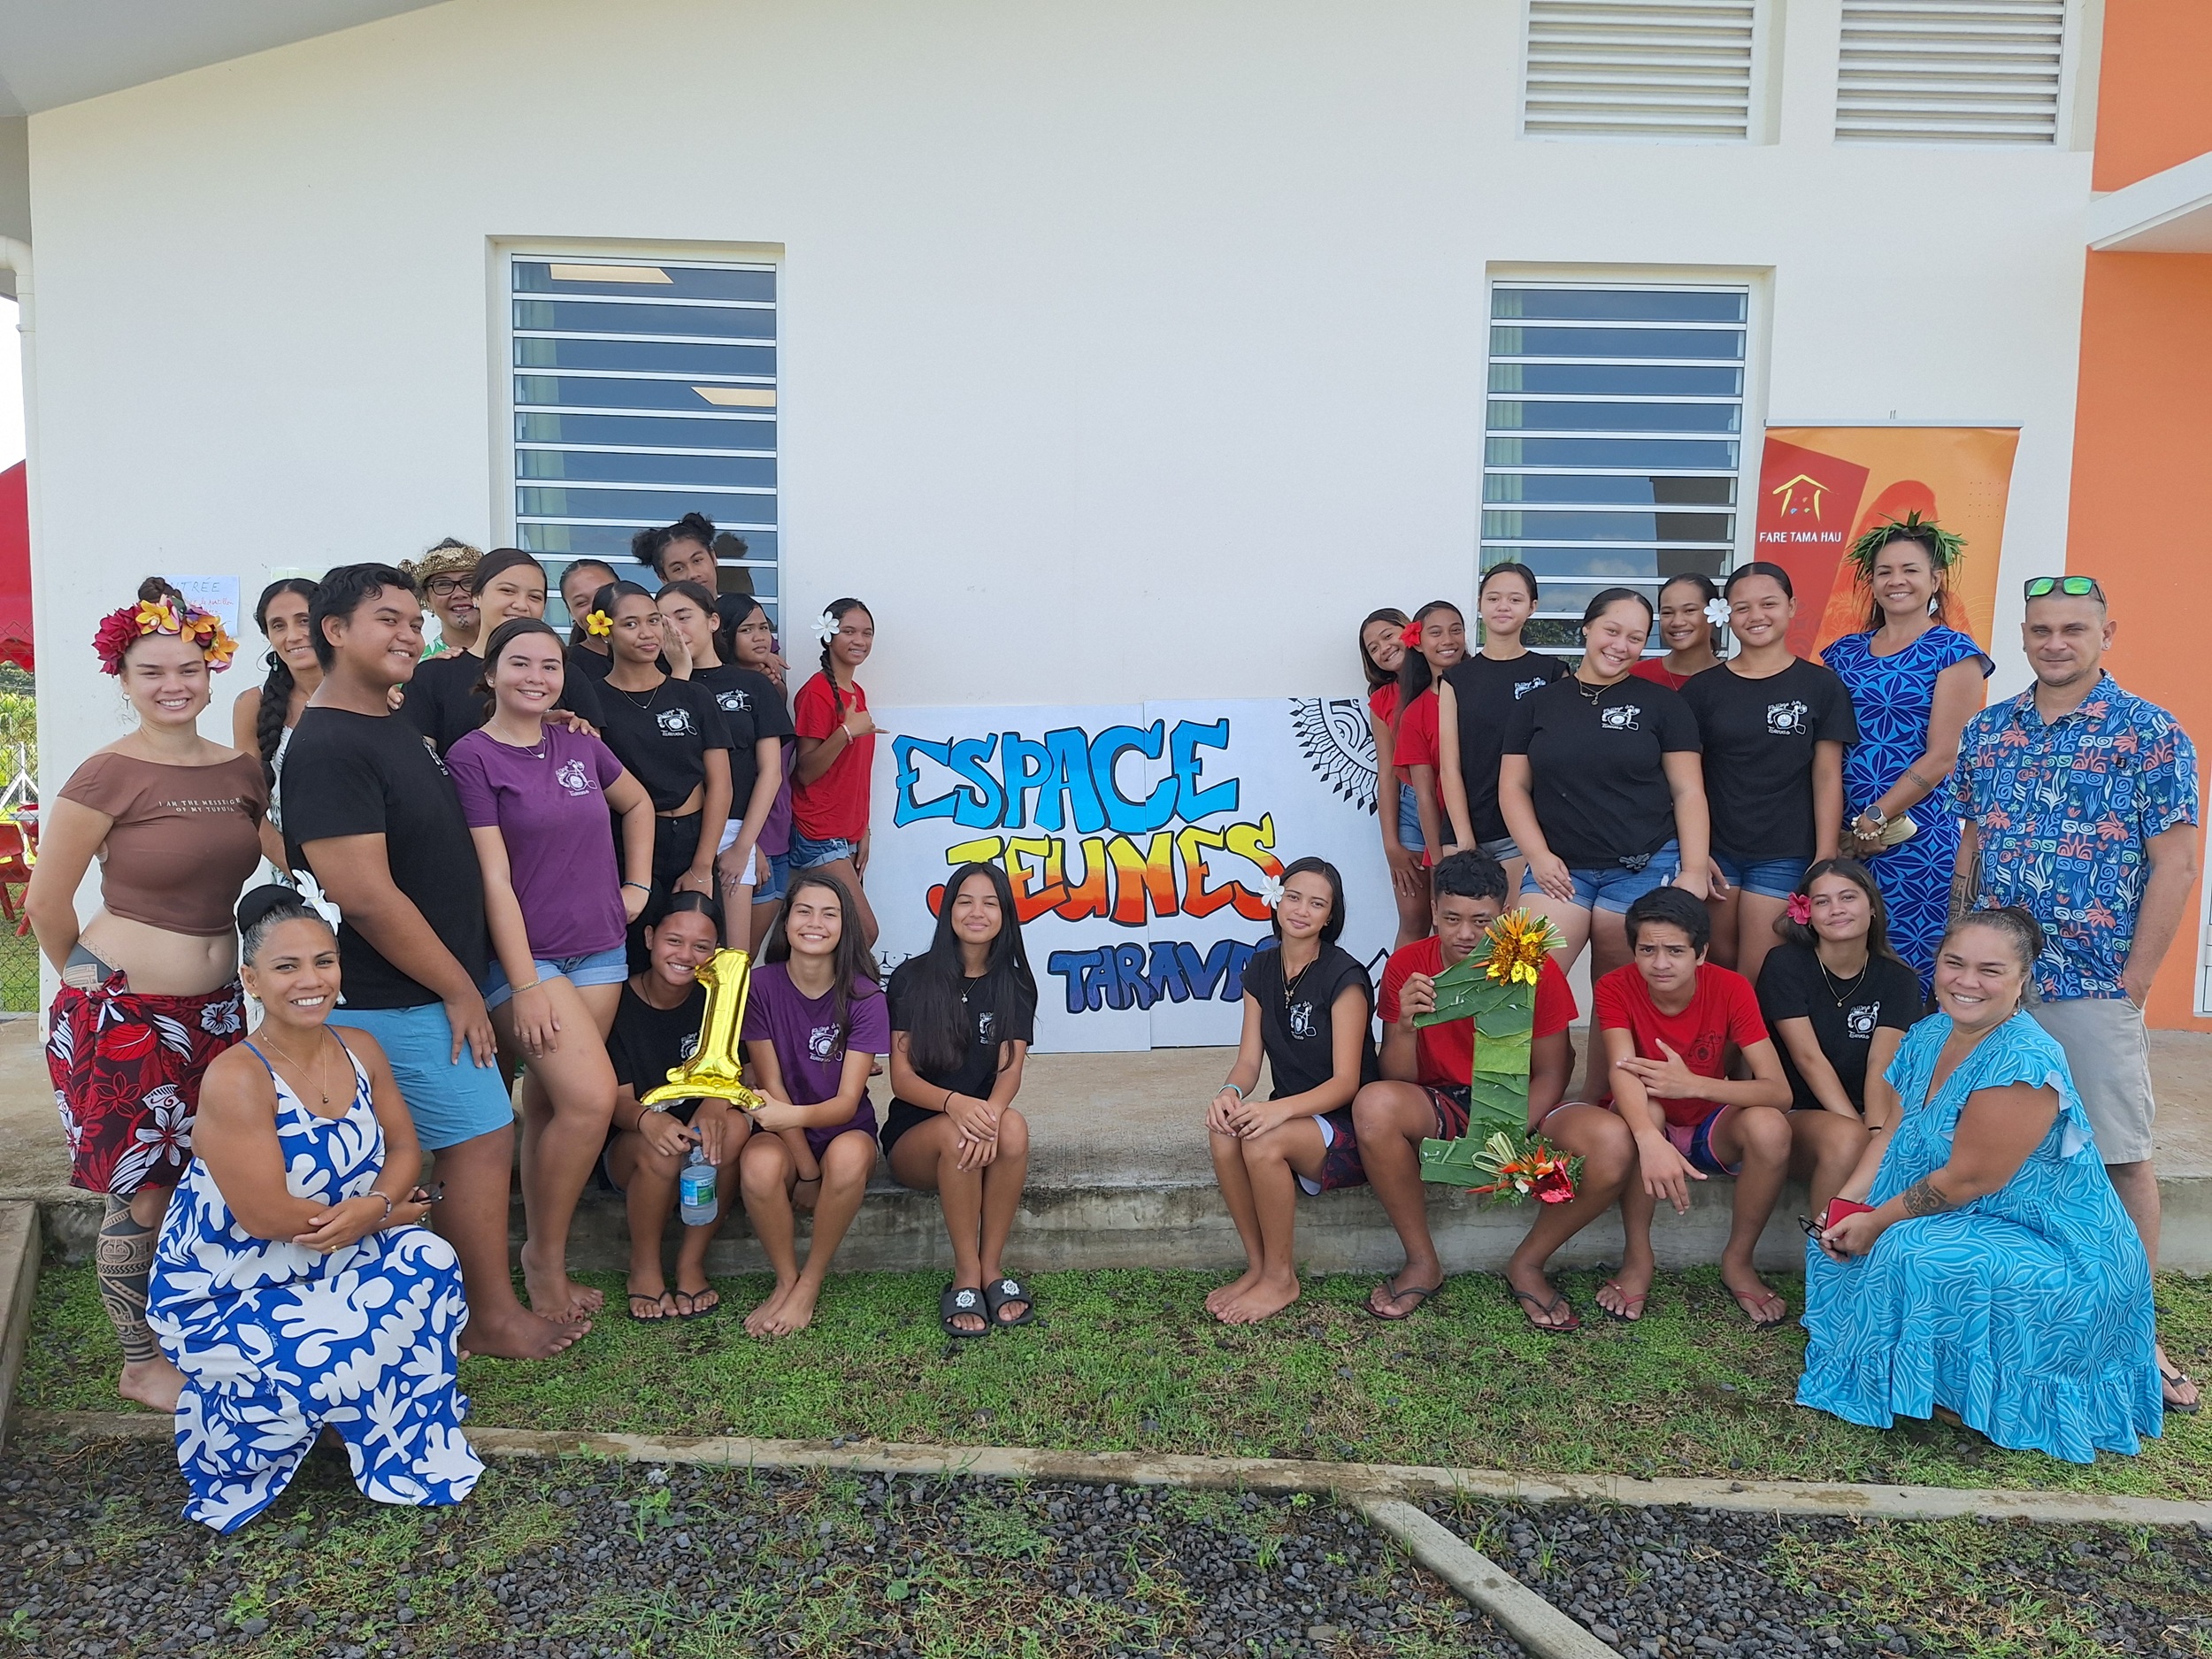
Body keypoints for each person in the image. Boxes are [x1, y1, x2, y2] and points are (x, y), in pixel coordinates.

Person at [282, 563, 583, 1358]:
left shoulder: (388, 721)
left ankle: (466, 1307)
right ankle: (488, 1317)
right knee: (482, 1138)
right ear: (334, 630)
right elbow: (367, 895)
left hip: (434, 988)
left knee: (471, 1140)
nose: (410, 633)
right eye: (389, 619)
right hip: (401, 995)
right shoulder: (327, 744)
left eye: (414, 621)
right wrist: (458, 989)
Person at [147, 886, 481, 1531]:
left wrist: (379, 1205)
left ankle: (372, 1421)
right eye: (287, 966)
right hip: (233, 1286)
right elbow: (269, 1218)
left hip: (338, 1255)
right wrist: (382, 1215)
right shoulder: (237, 1077)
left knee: (430, 1258)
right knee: (317, 1370)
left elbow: (407, 1147)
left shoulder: (359, 1046)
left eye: (324, 961)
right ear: (251, 979)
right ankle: (231, 1424)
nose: (311, 980)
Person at [1953, 574, 2202, 1415]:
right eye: (2040, 629)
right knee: (1999, 1147)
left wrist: (2137, 979)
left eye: (2072, 627)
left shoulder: (2152, 735)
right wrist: (1960, 958)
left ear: (2107, 632)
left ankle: (2135, 1332)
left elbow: (2175, 862)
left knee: (2119, 1152)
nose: (2055, 642)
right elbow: (1974, 850)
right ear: (2022, 635)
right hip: (1995, 988)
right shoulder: (1989, 732)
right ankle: (2022, 1318)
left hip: (2093, 981)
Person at [1800, 908, 2162, 1463]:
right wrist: (1848, 1202)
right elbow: (1893, 1131)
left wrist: (1876, 1220)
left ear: (2023, 980)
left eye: (1990, 970)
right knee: (1837, 1233)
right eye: (1954, 963)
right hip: (1976, 1211)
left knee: (1907, 1247)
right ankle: (1929, 1377)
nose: (1967, 982)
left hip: (2055, 1241)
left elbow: (1969, 1179)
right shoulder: (1927, 1034)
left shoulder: (2022, 1061)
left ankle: (1965, 1390)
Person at [27, 580, 259, 1409]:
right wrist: (95, 990)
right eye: (153, 670)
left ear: (211, 672)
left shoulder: (240, 769)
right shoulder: (107, 773)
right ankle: (139, 1359)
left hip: (221, 1012)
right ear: (122, 678)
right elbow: (45, 904)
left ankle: (203, 1326)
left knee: (216, 1177)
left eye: (191, 669)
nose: (174, 684)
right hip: (125, 1013)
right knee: (142, 1190)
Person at [446, 617, 657, 1321]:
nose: (536, 677)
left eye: (550, 665)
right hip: (527, 958)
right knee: (593, 1100)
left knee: (551, 1103)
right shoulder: (471, 756)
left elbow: (639, 804)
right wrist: (527, 983)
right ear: (492, 672)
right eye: (520, 663)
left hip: (600, 947)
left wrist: (640, 887)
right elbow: (493, 878)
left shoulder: (578, 742)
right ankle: (541, 1259)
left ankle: (544, 1252)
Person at [1350, 850, 1585, 1322]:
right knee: (1374, 1106)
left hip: (1520, 1101)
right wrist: (1404, 1025)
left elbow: (1553, 1072)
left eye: (1481, 920)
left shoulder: (1534, 966)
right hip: (1442, 1100)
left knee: (1613, 1143)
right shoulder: (1408, 964)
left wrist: (1510, 1131)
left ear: (1505, 916)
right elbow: (1397, 1080)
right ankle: (1422, 1262)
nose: (1465, 933)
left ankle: (1529, 1263)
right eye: (1452, 917)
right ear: (1433, 911)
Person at [1497, 588, 1713, 1056]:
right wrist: (1538, 856)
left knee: (1619, 998)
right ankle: (1538, 1090)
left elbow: (1688, 790)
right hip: (1560, 870)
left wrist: (1694, 870)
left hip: (1643, 869)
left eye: (1635, 638)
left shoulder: (1663, 704)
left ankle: (1604, 1100)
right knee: (1517, 981)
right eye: (1612, 631)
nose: (1621, 645)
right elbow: (1513, 787)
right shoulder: (1538, 705)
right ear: (1587, 629)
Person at [1595, 887, 1794, 1326]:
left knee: (1770, 1127)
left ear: (1701, 953)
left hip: (1710, 1123)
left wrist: (1693, 1085)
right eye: (1647, 949)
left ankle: (1739, 1260)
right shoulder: (1615, 986)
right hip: (1645, 1119)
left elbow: (1778, 1092)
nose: (1660, 963)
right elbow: (1621, 1068)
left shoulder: (1731, 987)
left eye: (1675, 950)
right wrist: (1649, 1138)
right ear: (1634, 951)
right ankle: (1638, 1256)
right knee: (1649, 1112)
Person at [1203, 856, 1379, 1326]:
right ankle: (1259, 1266)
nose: (1301, 910)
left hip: (1348, 1126)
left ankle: (1282, 1278)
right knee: (1223, 1131)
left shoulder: (1346, 977)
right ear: (1276, 899)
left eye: (1317, 903)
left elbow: (1347, 1083)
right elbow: (1248, 1061)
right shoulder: (1260, 968)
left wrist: (1276, 1111)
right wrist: (1229, 1093)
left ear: (1330, 916)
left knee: (1262, 1139)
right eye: (1294, 897)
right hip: (1294, 1115)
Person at [1821, 516, 1993, 989]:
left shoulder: (1955, 653)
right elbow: (1824, 749)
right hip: (1843, 840)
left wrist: (1875, 817)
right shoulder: (1840, 655)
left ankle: (1913, 1064)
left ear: (1935, 580)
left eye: (1910, 570)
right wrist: (1838, 832)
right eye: (1884, 571)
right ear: (1871, 583)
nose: (1896, 581)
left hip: (1912, 839)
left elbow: (1943, 755)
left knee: (1907, 969)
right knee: (1844, 965)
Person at [1680, 562, 1856, 987]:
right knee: (1716, 964)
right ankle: (1716, 1055)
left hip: (1786, 850)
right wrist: (1695, 853)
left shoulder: (1821, 686)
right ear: (1726, 614)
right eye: (1742, 607)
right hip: (1717, 851)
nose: (1755, 616)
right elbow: (1685, 781)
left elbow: (1828, 775)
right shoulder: (1702, 690)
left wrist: (1825, 855)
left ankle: (1753, 1056)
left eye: (1769, 604)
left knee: (1757, 972)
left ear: (1792, 606)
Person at [885, 861, 1039, 1336]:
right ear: (948, 909)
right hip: (918, 1137)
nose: (977, 912)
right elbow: (901, 1079)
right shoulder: (913, 977)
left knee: (1014, 1126)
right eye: (965, 900)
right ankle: (966, 1272)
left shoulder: (1014, 983)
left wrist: (989, 1114)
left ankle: (992, 1268)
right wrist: (957, 1106)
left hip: (978, 1127)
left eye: (990, 902)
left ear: (1005, 915)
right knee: (957, 1133)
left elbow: (1010, 1070)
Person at [738, 871, 888, 1339]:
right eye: (803, 911)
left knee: (846, 1158)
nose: (815, 923)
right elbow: (771, 1084)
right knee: (759, 1168)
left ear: (845, 927)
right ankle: (785, 1278)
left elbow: (846, 1103)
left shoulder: (864, 994)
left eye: (830, 913)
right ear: (785, 922)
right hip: (783, 1130)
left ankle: (810, 1282)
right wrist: (805, 1170)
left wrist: (812, 1157)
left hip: (845, 1129)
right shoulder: (759, 986)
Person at [602, 891, 752, 1322]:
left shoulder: (717, 999)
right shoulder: (616, 1001)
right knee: (661, 1153)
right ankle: (644, 1269)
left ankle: (691, 1262)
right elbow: (609, 1098)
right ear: (649, 937)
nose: (686, 955)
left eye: (702, 947)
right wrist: (648, 1121)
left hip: (701, 1143)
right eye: (674, 940)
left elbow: (740, 1070)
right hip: (634, 1144)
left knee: (733, 1128)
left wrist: (715, 1101)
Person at [1756, 859, 1920, 1217]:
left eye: (1848, 897)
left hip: (1864, 1111)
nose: (1837, 910)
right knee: (1849, 1141)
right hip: (1793, 1112)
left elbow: (1883, 1062)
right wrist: (1857, 1128)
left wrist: (1875, 1129)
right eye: (1822, 902)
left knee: (1894, 1142)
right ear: (1807, 913)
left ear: (1872, 907)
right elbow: (1807, 1058)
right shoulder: (1785, 964)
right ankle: (1827, 1260)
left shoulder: (1899, 979)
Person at [585, 581, 733, 946]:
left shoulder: (693, 695)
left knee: (698, 951)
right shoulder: (591, 698)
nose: (647, 633)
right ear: (604, 631)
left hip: (692, 838)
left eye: (653, 621)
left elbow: (721, 784)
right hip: (626, 843)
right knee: (636, 949)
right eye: (631, 624)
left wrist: (702, 866)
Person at [658, 580, 790, 934]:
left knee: (733, 955)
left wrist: (746, 844)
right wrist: (679, 675)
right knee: (675, 945)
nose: (673, 628)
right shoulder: (656, 687)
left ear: (713, 622)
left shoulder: (753, 685)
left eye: (683, 617)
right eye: (661, 620)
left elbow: (771, 773)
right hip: (673, 831)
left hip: (735, 830)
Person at [1438, 563, 1570, 895]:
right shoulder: (1457, 679)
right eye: (1494, 598)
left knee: (1513, 939)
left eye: (1515, 599)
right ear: (1480, 604)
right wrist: (1465, 838)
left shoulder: (1553, 673)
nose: (1503, 607)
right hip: (1466, 828)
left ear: (1532, 607)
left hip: (1528, 834)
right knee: (1466, 940)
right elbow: (1449, 766)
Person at [400, 549, 606, 755]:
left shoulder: (567, 675)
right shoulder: (431, 676)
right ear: (476, 597)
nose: (521, 605)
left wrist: (574, 734)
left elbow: (594, 764)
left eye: (534, 597)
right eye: (507, 591)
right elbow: (417, 765)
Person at [791, 597, 881, 948]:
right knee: (863, 933)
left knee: (841, 939)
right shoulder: (816, 693)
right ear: (828, 635)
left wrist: (864, 831)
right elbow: (805, 772)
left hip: (847, 835)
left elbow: (854, 775)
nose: (859, 640)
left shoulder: (856, 692)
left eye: (867, 633)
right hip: (819, 834)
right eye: (848, 631)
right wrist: (846, 732)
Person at [230, 577, 320, 879]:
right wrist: (296, 869)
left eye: (304, 620)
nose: (293, 636)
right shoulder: (251, 704)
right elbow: (246, 805)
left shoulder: (374, 693)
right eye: (278, 625)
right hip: (295, 877)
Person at [729, 595, 798, 948]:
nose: (759, 637)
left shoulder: (767, 687)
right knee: (737, 957)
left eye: (763, 628)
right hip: (753, 843)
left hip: (780, 835)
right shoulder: (727, 699)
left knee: (748, 958)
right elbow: (737, 779)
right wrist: (750, 845)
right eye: (746, 629)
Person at [1358, 609, 1425, 949]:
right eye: (1372, 647)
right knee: (1413, 918)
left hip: (1458, 807)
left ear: (1410, 630)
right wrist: (1391, 845)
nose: (1383, 648)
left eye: (1388, 635)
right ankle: (1395, 1004)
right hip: (1411, 808)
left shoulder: (1448, 678)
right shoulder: (1381, 701)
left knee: (1457, 916)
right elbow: (1386, 774)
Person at [1386, 602, 1466, 885]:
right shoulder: (1414, 714)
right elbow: (1426, 797)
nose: (1448, 640)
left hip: (1504, 834)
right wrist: (1440, 861)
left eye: (1456, 630)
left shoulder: (1487, 691)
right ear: (1417, 643)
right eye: (1436, 632)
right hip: (1451, 839)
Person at [635, 511, 757, 647]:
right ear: (663, 577)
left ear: (713, 557)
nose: (693, 574)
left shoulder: (742, 613)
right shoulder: (657, 629)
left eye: (697, 560)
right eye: (678, 568)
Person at [1632, 572, 1725, 689]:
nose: (1677, 622)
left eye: (1689, 610)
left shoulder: (1734, 681)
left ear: (1714, 613)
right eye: (1667, 613)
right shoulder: (1634, 675)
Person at [403, 539, 482, 660]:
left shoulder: (515, 650)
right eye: (444, 584)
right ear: (426, 598)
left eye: (468, 582)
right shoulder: (414, 667)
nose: (459, 594)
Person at [560, 558, 622, 684]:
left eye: (603, 593)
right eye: (581, 602)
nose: (595, 606)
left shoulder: (657, 649)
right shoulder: (563, 664)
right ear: (570, 611)